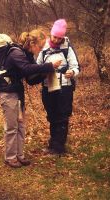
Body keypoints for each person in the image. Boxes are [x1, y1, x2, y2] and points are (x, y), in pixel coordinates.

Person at [0, 30, 61, 168]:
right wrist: (49, 66)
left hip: (18, 94)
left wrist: (45, 73)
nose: (40, 50)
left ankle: (19, 155)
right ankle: (10, 157)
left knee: (21, 126)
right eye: (40, 47)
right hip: (8, 93)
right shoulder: (16, 53)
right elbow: (27, 68)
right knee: (12, 127)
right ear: (32, 43)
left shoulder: (27, 55)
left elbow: (30, 79)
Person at [37, 19, 80, 155]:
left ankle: (59, 147)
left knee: (62, 116)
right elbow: (37, 66)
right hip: (48, 87)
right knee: (52, 115)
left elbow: (76, 66)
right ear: (51, 34)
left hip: (64, 88)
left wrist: (72, 72)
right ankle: (53, 144)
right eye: (55, 37)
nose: (56, 40)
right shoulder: (43, 48)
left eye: (59, 38)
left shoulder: (68, 48)